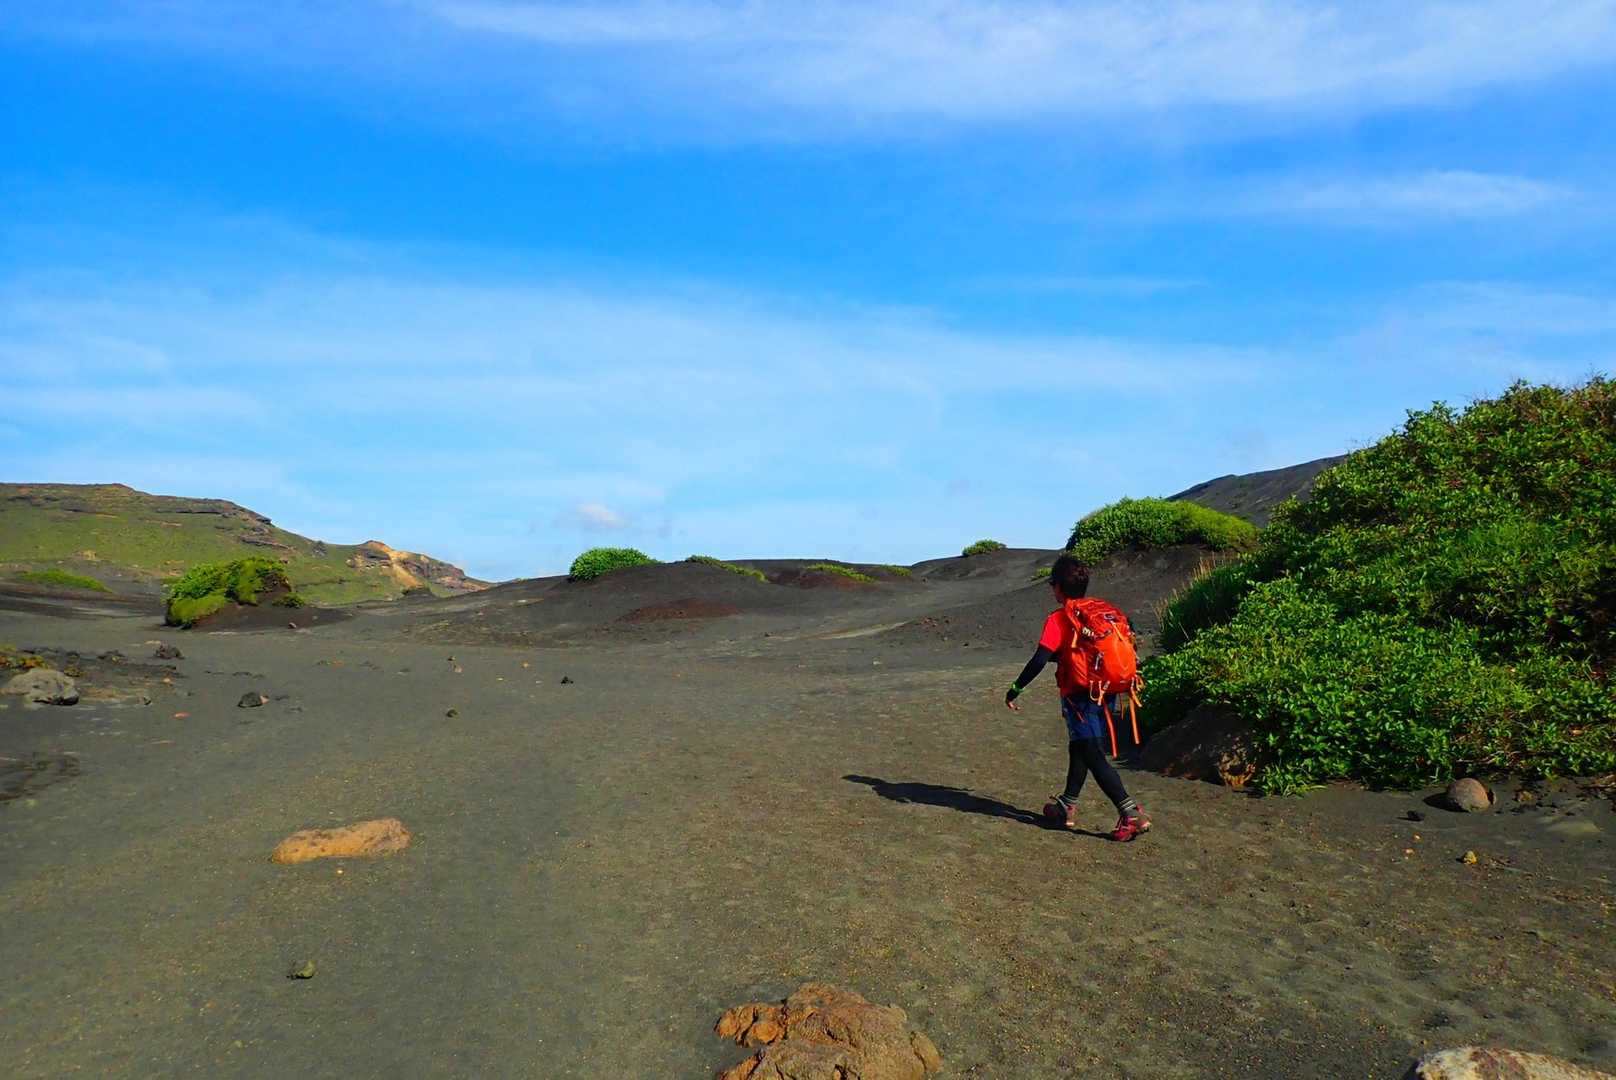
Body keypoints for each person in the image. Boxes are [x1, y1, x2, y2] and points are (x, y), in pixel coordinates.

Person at [1005, 554, 1151, 842]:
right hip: (1107, 689)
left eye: (1052, 584)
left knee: (1092, 752)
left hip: (1079, 696)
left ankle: (1130, 812)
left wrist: (1016, 688)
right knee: (1080, 747)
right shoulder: (1105, 611)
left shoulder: (1060, 618)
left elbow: (1039, 659)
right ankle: (1066, 805)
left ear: (1058, 587)